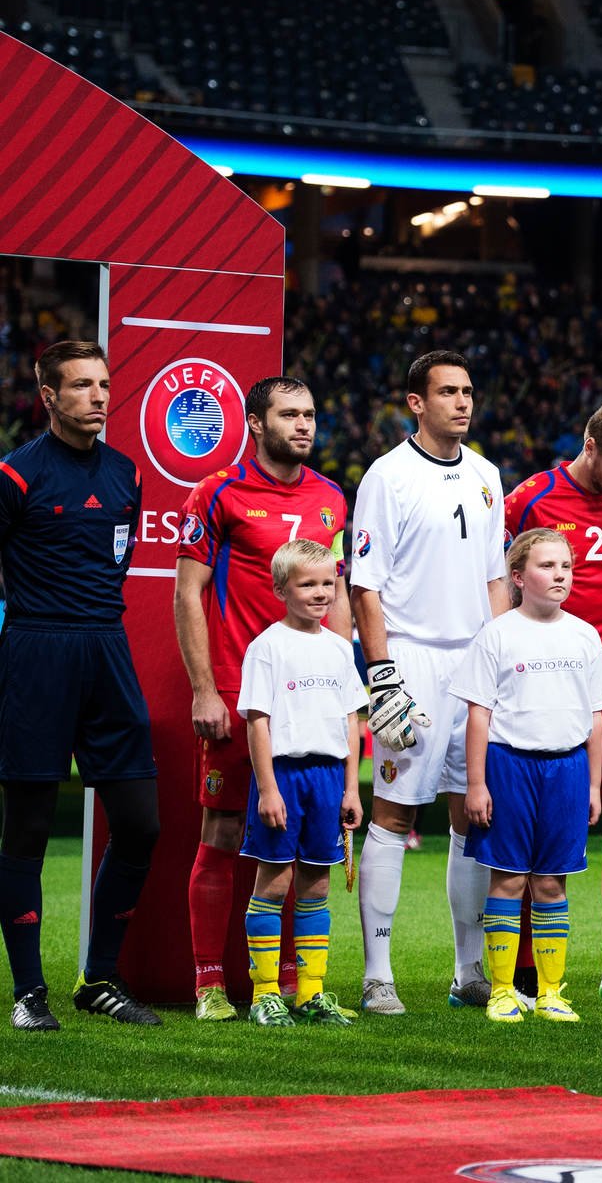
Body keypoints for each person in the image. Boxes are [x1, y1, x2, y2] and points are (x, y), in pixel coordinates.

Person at [175, 375, 350, 1023]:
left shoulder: (331, 496)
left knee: (305, 846)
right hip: (235, 688)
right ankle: (211, 984)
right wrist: (203, 688)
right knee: (221, 833)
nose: (304, 425)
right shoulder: (216, 492)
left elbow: (335, 599)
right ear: (256, 422)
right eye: (289, 414)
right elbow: (186, 592)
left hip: (310, 700)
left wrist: (346, 681)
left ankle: (294, 990)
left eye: (310, 413)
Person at [0, 341, 162, 1030]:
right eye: (82, 386)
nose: (98, 396)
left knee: (140, 824)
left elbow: (116, 569)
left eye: (103, 384)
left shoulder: (126, 474)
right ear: (49, 395)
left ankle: (99, 978)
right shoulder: (14, 475)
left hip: (106, 647)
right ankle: (29, 993)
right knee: (29, 826)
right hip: (36, 650)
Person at [350, 350, 509, 1015]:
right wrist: (383, 676)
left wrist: (507, 660)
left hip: (476, 661)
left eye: (468, 390)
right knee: (393, 813)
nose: (462, 403)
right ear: (416, 402)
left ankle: (468, 970)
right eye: (448, 392)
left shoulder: (488, 474)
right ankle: (377, 974)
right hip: (412, 659)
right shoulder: (386, 477)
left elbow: (498, 576)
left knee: (472, 814)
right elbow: (365, 584)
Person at [503, 396, 602, 1003]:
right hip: (540, 671)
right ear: (590, 445)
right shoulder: (529, 499)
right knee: (529, 820)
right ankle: (517, 968)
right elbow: (498, 577)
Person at [453, 529, 602, 1024]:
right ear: (519, 578)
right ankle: (503, 991)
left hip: (566, 769)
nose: (560, 574)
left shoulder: (584, 635)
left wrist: (591, 784)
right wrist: (477, 784)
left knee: (551, 884)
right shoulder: (498, 634)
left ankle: (550, 992)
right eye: (547, 566)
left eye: (566, 565)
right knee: (507, 880)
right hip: (510, 766)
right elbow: (478, 714)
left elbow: (594, 717)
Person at [235, 540, 366, 1027]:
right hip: (284, 776)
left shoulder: (338, 647)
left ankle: (311, 993)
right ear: (280, 589)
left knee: (316, 882)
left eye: (328, 583)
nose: (320, 592)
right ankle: (265, 995)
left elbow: (351, 720)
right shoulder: (267, 647)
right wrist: (268, 789)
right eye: (307, 584)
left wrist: (352, 789)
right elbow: (257, 722)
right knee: (275, 879)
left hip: (329, 777)